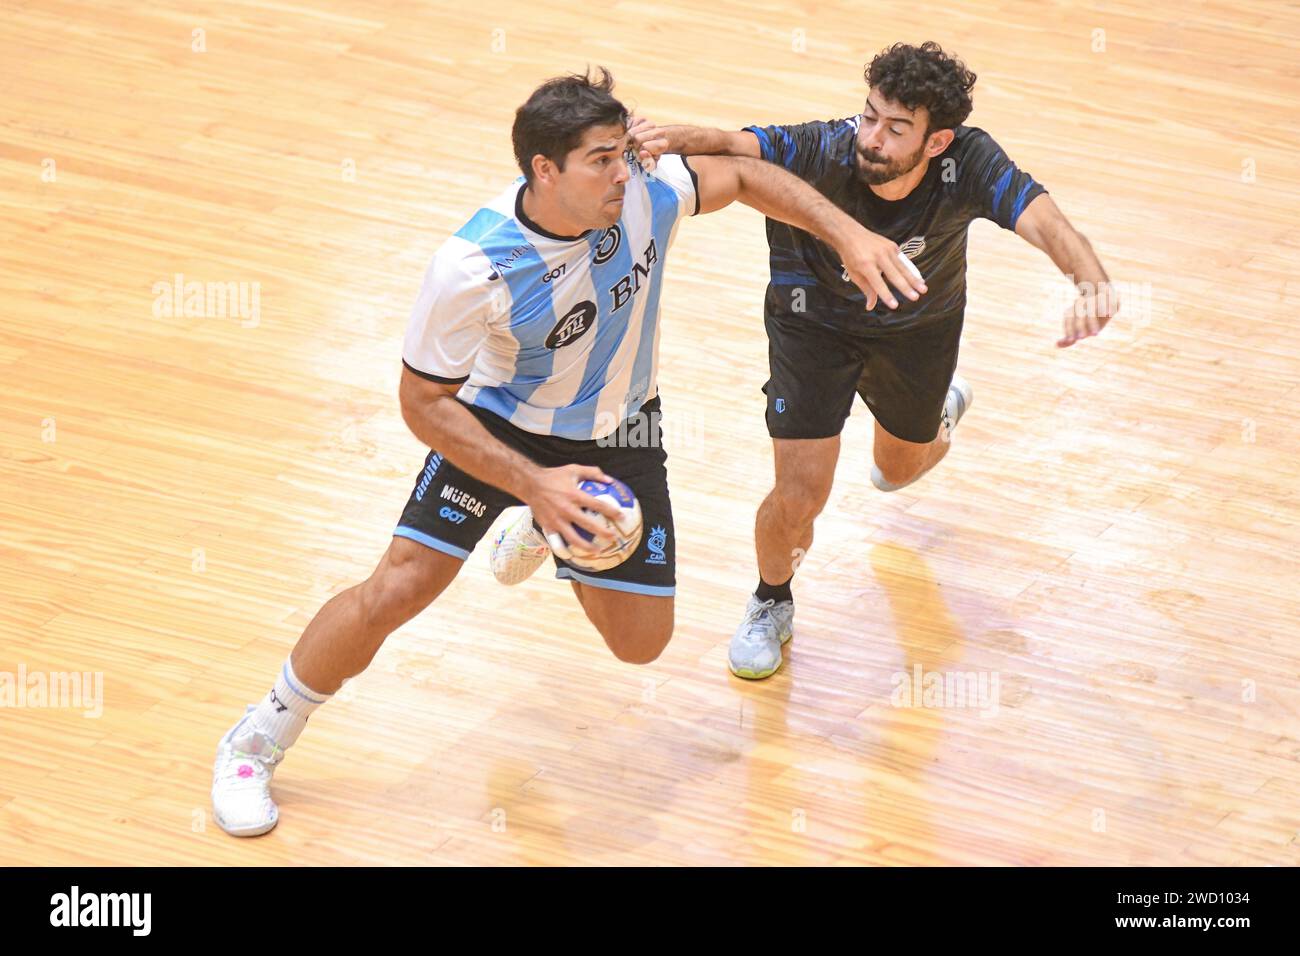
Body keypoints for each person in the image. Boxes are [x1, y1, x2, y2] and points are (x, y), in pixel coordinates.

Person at [211, 67, 923, 836]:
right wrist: (536, 484)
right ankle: (256, 739)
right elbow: (422, 404)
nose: (625, 171)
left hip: (622, 428)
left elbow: (748, 176)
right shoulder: (475, 265)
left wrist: (849, 234)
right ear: (544, 170)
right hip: (500, 427)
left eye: (624, 151)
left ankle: (553, 531)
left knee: (641, 644)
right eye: (602, 160)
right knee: (400, 587)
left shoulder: (647, 191)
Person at [627, 41, 1120, 679]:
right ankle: (770, 600)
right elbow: (728, 143)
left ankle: (938, 412)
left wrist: (1089, 279)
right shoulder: (825, 147)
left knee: (898, 469)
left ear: (937, 142)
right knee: (801, 492)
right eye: (869, 116)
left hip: (918, 329)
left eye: (895, 128)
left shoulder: (969, 163)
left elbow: (1043, 219)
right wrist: (658, 137)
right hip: (812, 327)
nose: (872, 138)